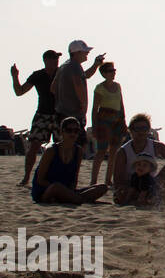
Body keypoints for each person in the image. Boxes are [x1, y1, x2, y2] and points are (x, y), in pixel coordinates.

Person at [11, 49, 61, 186]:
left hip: (59, 114)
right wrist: (15, 77)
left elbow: (82, 77)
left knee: (61, 148)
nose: (56, 61)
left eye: (57, 59)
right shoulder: (38, 75)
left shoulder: (61, 73)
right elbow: (19, 91)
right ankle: (26, 177)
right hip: (42, 114)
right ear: (46, 61)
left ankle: (58, 178)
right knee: (33, 147)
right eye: (54, 58)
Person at [30, 118, 110, 204]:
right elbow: (40, 180)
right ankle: (78, 199)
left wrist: (68, 192)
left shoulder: (78, 151)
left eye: (76, 131)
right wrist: (61, 191)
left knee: (102, 187)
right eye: (69, 130)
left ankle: (74, 198)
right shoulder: (51, 151)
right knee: (57, 187)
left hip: (67, 191)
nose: (72, 133)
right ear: (62, 132)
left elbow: (74, 178)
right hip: (46, 191)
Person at [111, 113, 165, 205]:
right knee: (121, 194)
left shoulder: (157, 146)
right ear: (130, 131)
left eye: (144, 129)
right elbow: (117, 180)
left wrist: (162, 177)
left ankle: (163, 198)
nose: (141, 132)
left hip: (151, 184)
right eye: (137, 129)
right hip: (131, 185)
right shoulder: (122, 152)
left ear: (148, 130)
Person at [51, 40, 105, 154]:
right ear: (76, 52)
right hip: (73, 114)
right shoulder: (74, 67)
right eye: (85, 51)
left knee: (63, 145)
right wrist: (83, 107)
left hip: (61, 113)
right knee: (79, 146)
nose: (87, 54)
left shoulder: (65, 65)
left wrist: (96, 64)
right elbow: (79, 85)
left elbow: (53, 88)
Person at [90, 62, 128, 184]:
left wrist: (123, 120)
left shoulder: (118, 86)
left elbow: (121, 104)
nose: (113, 72)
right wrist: (94, 126)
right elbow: (95, 108)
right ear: (105, 73)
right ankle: (94, 180)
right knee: (101, 151)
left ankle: (108, 180)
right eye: (111, 71)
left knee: (114, 151)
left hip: (117, 120)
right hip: (104, 121)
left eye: (114, 70)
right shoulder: (100, 88)